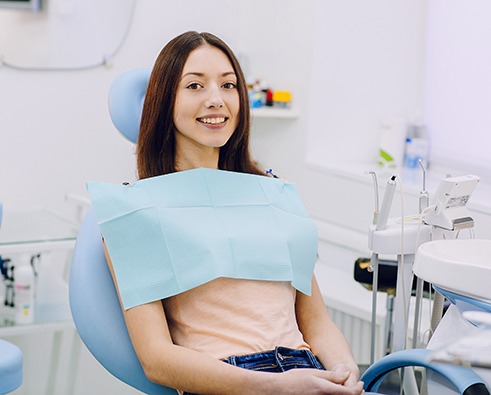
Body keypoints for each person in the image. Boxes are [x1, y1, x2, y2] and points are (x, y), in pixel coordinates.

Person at [103, 31, 364, 395]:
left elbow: (317, 323)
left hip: (308, 372)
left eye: (228, 85)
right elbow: (157, 359)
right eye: (194, 86)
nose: (216, 99)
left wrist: (344, 369)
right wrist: (275, 387)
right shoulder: (137, 210)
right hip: (231, 378)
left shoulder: (273, 195)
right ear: (164, 101)